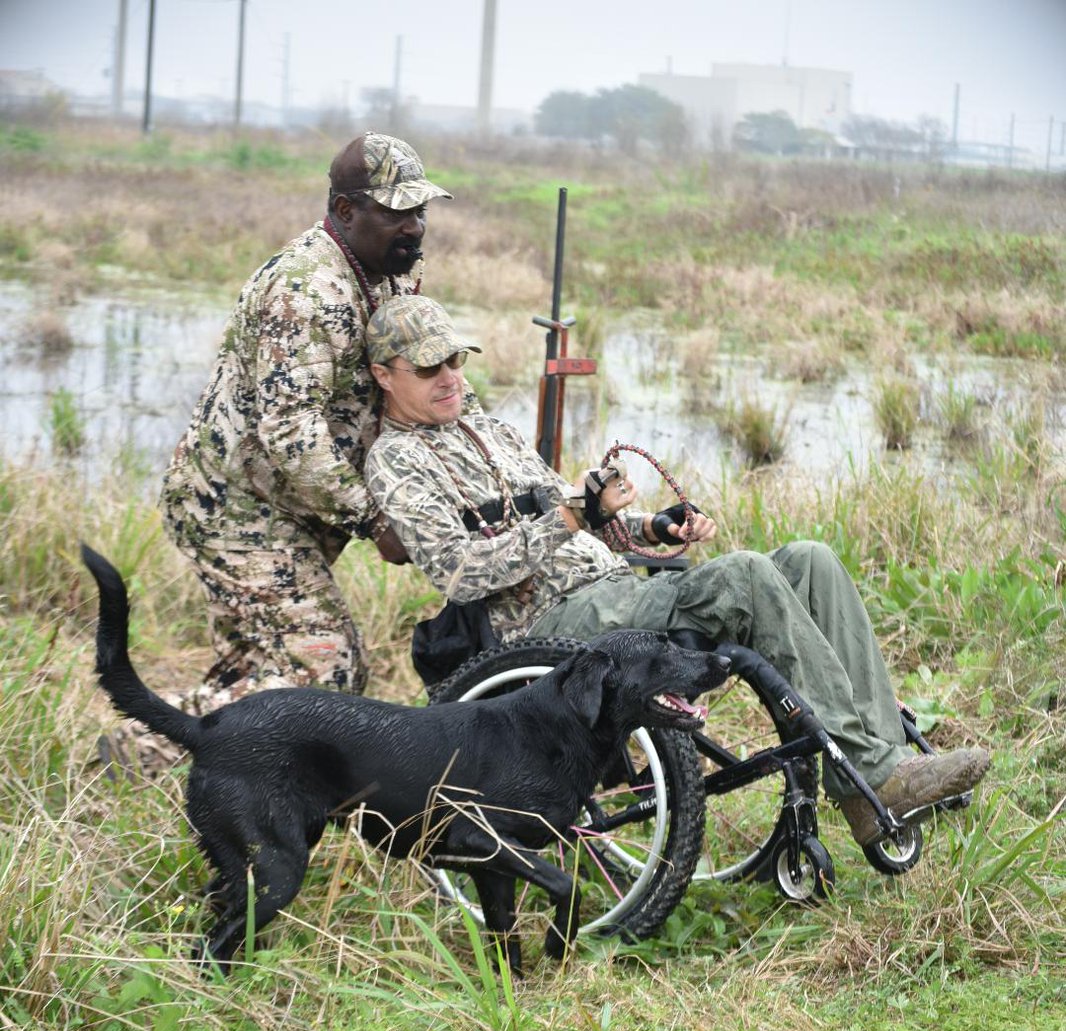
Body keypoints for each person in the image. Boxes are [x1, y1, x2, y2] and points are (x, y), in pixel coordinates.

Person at [362, 295, 991, 849]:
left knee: (811, 560)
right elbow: (460, 573)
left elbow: (581, 520)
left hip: (613, 590)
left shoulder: (489, 429)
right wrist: (571, 516)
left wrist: (653, 528)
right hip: (546, 625)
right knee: (744, 577)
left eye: (455, 361)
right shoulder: (396, 461)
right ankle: (873, 779)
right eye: (428, 368)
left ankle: (889, 763)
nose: (449, 377)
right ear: (384, 376)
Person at [158, 132, 450, 711]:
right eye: (396, 212)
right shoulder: (305, 290)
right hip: (235, 508)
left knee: (260, 674)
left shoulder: (388, 274)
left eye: (419, 210)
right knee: (326, 671)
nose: (414, 226)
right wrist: (375, 519)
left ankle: (172, 750)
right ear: (346, 210)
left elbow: (427, 376)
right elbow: (291, 430)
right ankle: (145, 744)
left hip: (294, 508)